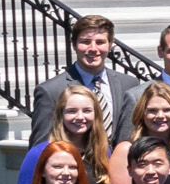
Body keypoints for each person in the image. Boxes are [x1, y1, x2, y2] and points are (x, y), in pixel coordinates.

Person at [30, 13, 139, 144]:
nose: (93, 49)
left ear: (110, 45)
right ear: (74, 45)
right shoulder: (51, 91)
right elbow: (40, 146)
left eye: (100, 42)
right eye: (85, 42)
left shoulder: (129, 84)